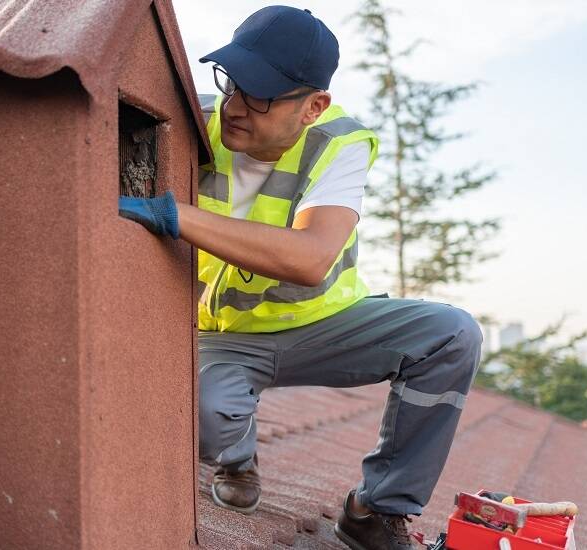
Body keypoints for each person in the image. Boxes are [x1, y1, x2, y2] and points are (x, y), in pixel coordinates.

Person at [118, 6, 482, 549]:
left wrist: (180, 217)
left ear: (313, 106)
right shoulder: (193, 120)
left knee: (453, 335)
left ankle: (374, 511)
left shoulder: (340, 143)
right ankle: (236, 451)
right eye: (233, 82)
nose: (236, 106)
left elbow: (311, 258)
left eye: (260, 94)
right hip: (225, 336)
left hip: (323, 325)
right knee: (202, 420)